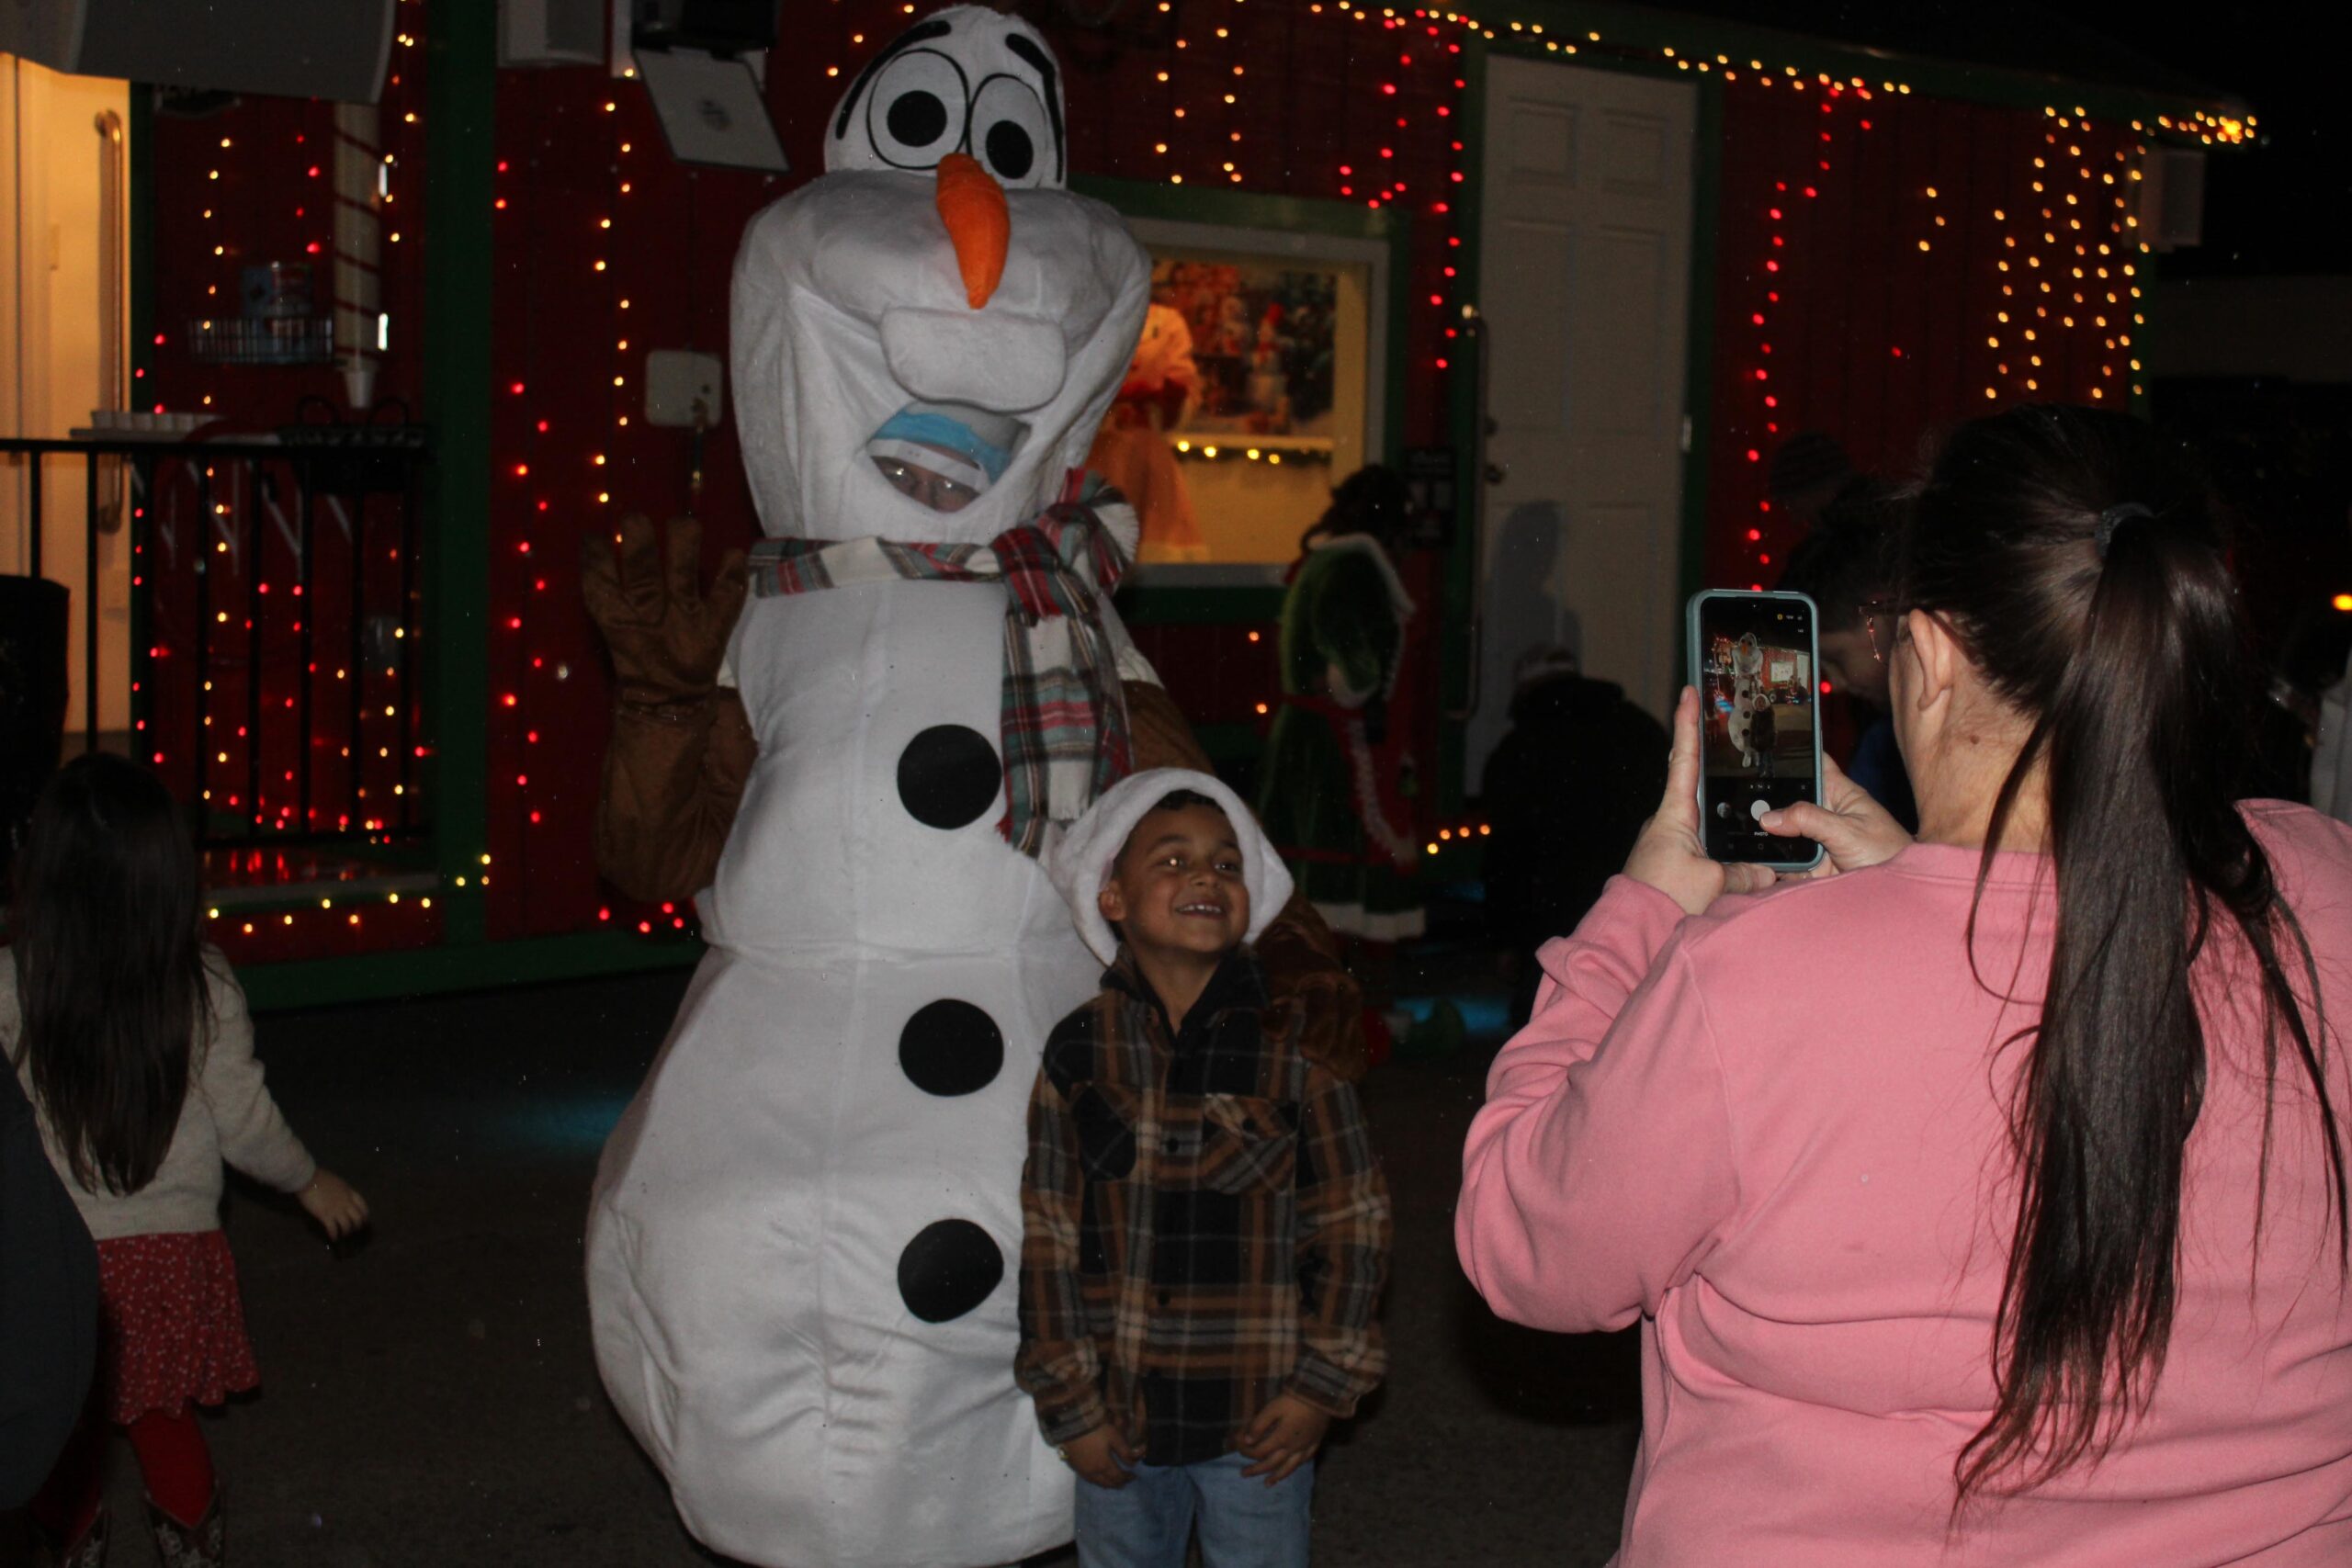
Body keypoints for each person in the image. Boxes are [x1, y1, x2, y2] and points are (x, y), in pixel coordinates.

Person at [1457, 404, 2352, 1564]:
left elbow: (1526, 1249)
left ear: (1924, 658)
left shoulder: (1748, 981)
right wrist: (1922, 891)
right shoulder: (2321, 883)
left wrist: (1642, 911)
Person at [7, 754, 368, 1567]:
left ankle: (66, 1547)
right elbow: (245, 1121)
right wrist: (309, 1180)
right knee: (164, 1422)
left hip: (50, 1261)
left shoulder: (9, 984)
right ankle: (193, 1549)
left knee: (63, 1435)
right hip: (167, 1260)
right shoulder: (202, 983)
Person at [1023, 769, 1390, 1568]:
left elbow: (1352, 1225)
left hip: (1255, 1417)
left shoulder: (1293, 1049)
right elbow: (1051, 1237)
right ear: (1112, 896)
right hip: (1120, 1416)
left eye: (1227, 864)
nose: (1206, 877)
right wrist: (1071, 1402)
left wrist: (1321, 1385)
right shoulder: (1079, 1050)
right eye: (1172, 860)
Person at [1257, 465, 1424, 944]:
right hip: (1334, 745)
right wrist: (1352, 689)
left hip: (1309, 738)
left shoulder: (1325, 563)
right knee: (1339, 888)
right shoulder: (1354, 569)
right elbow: (1357, 670)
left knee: (1307, 885)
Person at [1479, 645, 1668, 1028]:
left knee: (1549, 1027)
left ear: (1524, 689)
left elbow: (1508, 852)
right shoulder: (1642, 730)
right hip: (1632, 904)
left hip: (1553, 917)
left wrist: (1506, 939)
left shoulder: (1521, 748)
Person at [1776, 482, 1917, 829]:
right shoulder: (1877, 745)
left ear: (1882, 616)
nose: (1835, 683)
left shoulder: (1890, 749)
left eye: (1835, 658)